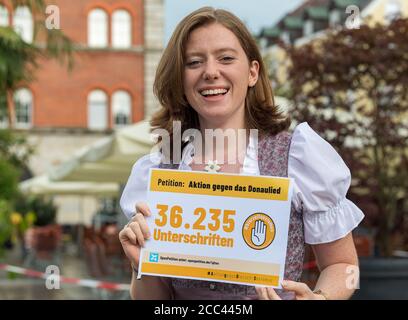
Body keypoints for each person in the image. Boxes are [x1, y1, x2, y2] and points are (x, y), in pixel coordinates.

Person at [118, 7, 364, 300]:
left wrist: (320, 298)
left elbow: (343, 264)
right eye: (194, 62)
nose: (210, 72)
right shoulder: (159, 169)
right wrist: (140, 265)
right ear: (181, 81)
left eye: (226, 58)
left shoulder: (296, 156)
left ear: (252, 72)